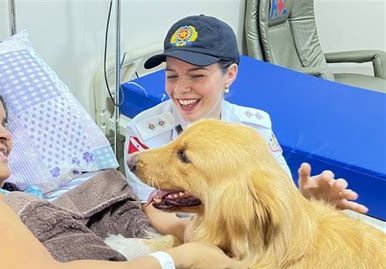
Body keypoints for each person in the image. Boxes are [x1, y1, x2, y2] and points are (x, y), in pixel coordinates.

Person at [0, 71, 249, 269]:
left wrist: (184, 230)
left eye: (5, 124)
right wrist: (177, 263)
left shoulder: (12, 201)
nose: (5, 135)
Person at [124, 15, 368, 239]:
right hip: (185, 238)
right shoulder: (145, 131)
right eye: (172, 76)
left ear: (229, 75)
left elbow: (275, 197)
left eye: (197, 76)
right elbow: (152, 206)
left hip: (247, 238)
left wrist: (306, 200)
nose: (180, 89)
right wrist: (197, 236)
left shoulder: (254, 130)